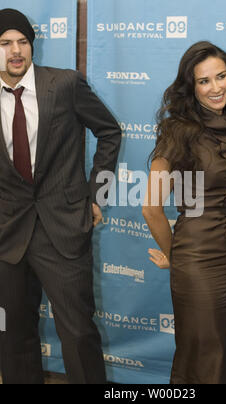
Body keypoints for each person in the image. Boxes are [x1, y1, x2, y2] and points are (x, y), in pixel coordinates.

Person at [0, 9, 121, 384]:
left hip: (63, 229)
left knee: (79, 335)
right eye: (4, 43)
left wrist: (96, 195)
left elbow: (109, 132)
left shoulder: (65, 84)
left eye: (22, 41)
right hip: (7, 236)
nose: (15, 51)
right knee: (12, 336)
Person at [143, 41, 226, 384]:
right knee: (205, 357)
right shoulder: (178, 131)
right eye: (204, 81)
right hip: (197, 254)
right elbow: (151, 207)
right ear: (191, 87)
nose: (216, 87)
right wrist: (175, 256)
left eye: (221, 76)